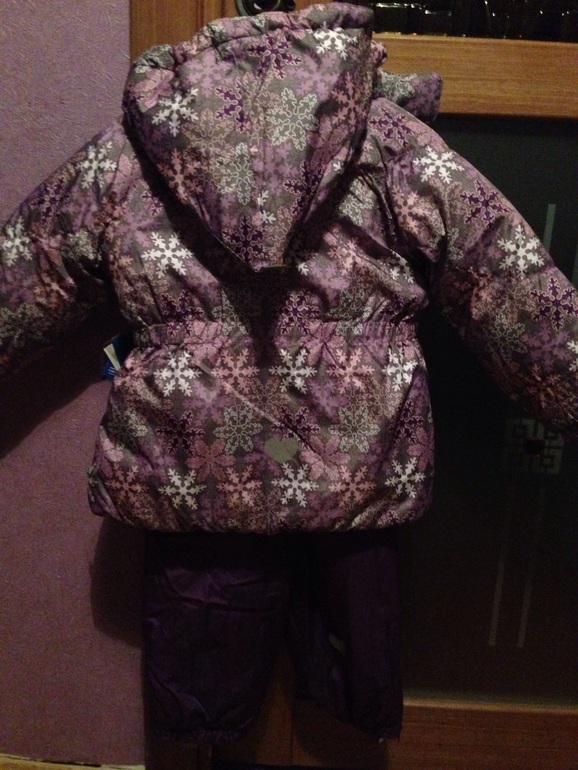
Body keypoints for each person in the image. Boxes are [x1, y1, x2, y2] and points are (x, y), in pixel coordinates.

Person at [1, 1, 577, 746]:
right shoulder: (396, 148)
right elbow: (501, 274)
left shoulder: (130, 154)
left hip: (196, 469)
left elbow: (30, 268)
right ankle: (346, 713)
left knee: (202, 711)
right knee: (350, 682)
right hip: (355, 466)